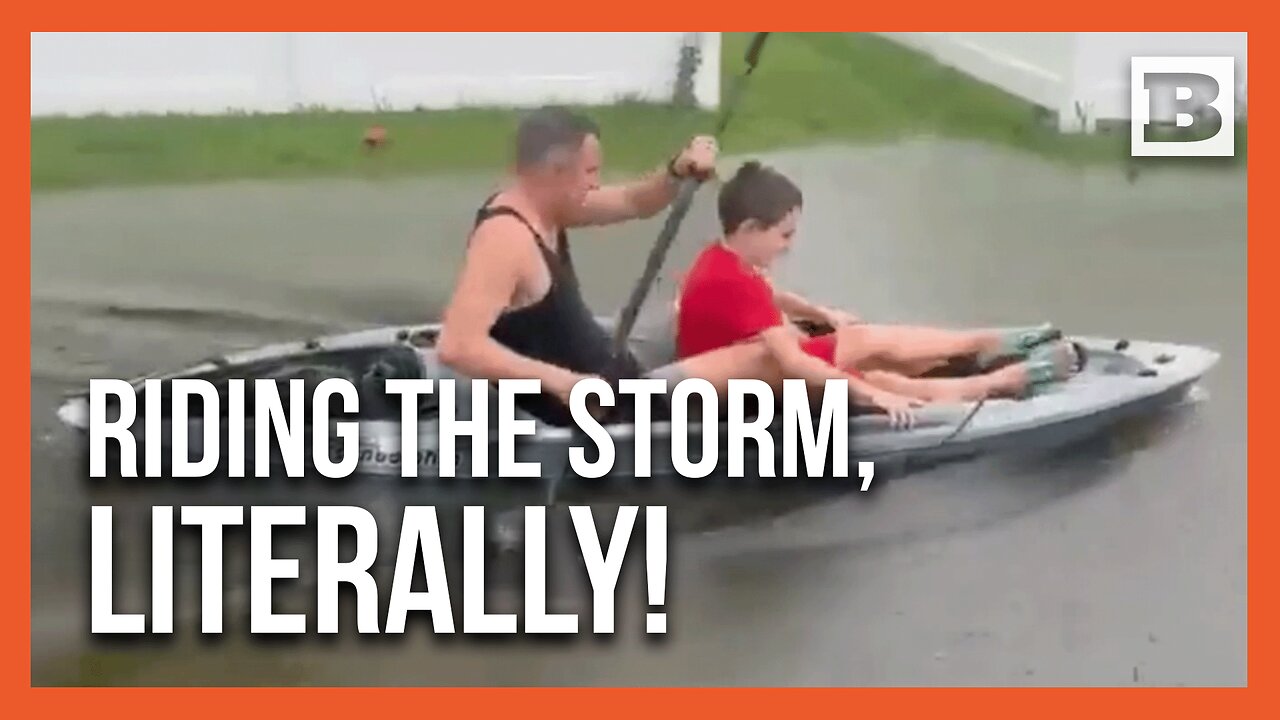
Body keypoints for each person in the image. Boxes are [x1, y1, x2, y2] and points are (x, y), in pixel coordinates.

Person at [436, 106, 794, 427]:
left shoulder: (549, 208)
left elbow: (633, 201)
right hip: (608, 407)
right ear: (555, 171)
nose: (595, 182)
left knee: (690, 311)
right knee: (763, 355)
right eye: (590, 171)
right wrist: (564, 384)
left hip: (615, 366)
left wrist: (677, 170)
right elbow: (457, 346)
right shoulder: (506, 238)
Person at [674, 160, 1083, 427]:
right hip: (741, 394)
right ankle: (1001, 373)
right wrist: (871, 394)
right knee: (873, 361)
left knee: (871, 355)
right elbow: (793, 361)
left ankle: (984, 353)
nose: (789, 245)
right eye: (784, 235)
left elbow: (771, 295)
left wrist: (821, 312)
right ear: (748, 229)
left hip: (752, 374)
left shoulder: (723, 259)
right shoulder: (735, 281)